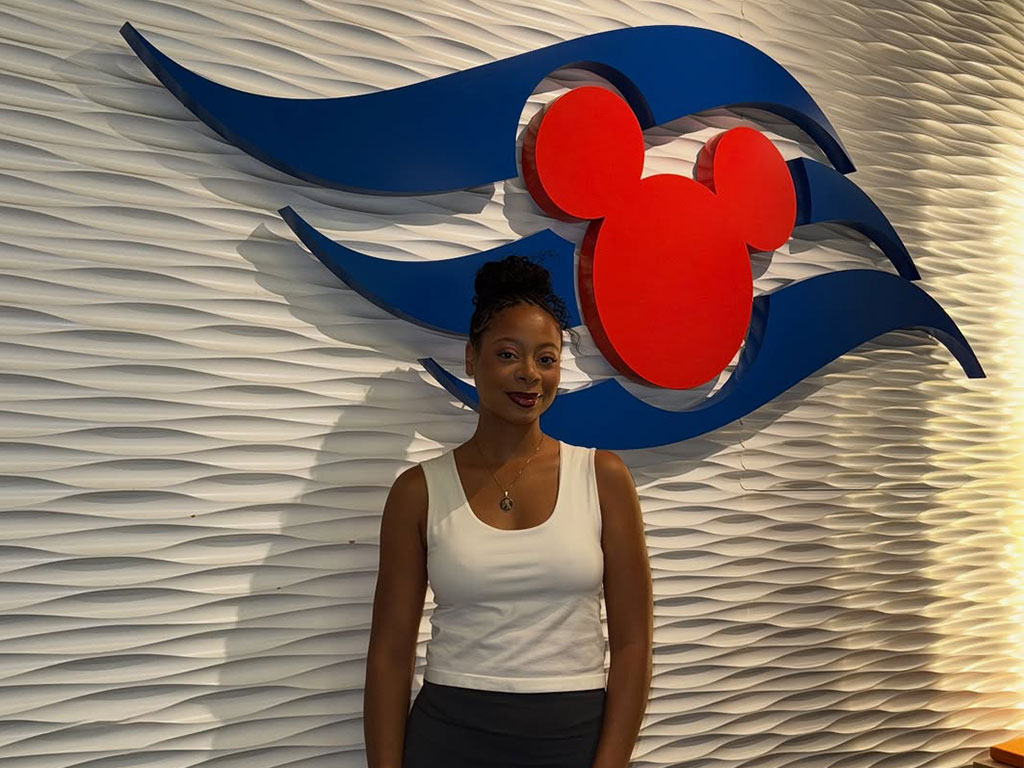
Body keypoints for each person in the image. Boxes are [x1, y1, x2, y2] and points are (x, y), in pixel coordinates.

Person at [363, 254, 653, 768]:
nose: (529, 376)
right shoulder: (418, 491)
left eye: (546, 358)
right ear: (472, 359)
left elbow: (633, 645)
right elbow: (389, 655)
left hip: (574, 738)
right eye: (507, 354)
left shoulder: (603, 477)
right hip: (448, 738)